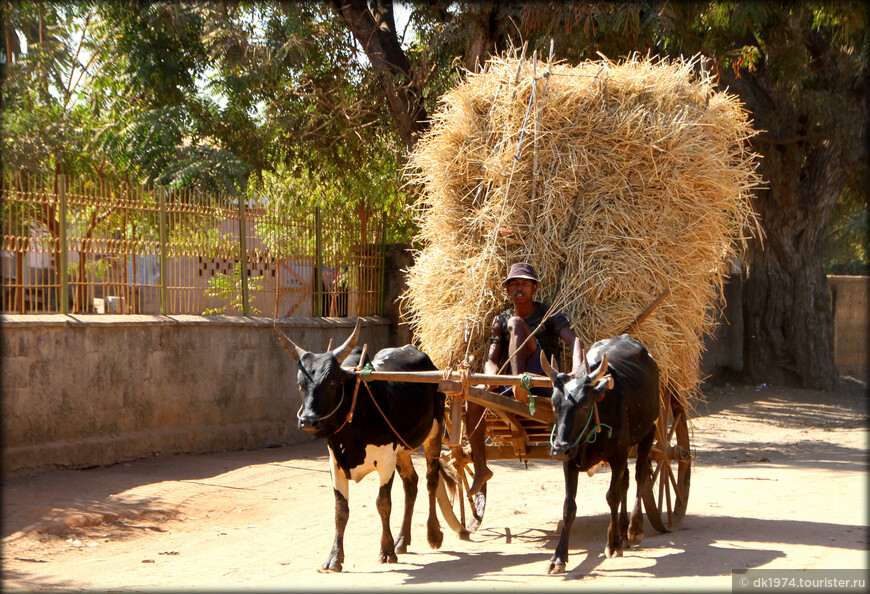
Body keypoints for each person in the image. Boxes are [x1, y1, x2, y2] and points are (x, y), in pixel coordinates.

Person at [467, 262, 584, 496]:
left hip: (543, 381)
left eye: (524, 284)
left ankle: (519, 384)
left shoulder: (548, 314)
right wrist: (488, 379)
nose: (518, 288)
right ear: (508, 289)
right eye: (514, 284)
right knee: (475, 396)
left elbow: (575, 341)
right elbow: (492, 358)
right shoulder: (500, 320)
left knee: (516, 324)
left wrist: (576, 371)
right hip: (511, 383)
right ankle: (481, 468)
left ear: (534, 289)